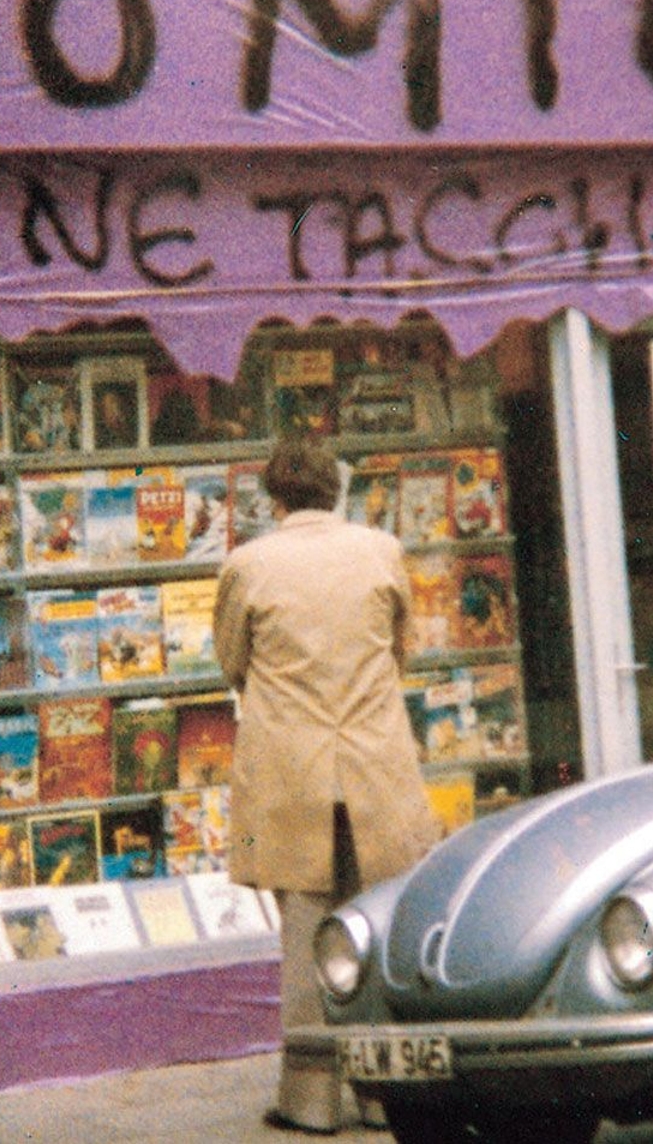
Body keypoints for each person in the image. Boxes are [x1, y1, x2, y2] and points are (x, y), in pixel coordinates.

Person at [213, 433, 441, 1135]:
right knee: (377, 922)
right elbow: (401, 650)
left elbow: (233, 662)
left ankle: (310, 1099)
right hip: (376, 763)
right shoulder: (382, 551)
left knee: (307, 928)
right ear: (333, 489)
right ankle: (383, 1094)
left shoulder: (247, 564)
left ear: (274, 496)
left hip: (291, 769)